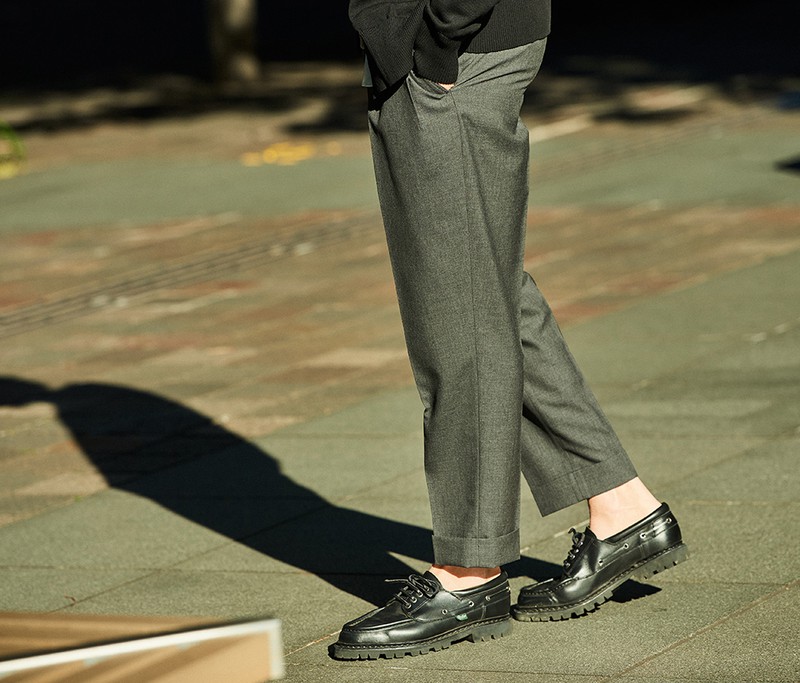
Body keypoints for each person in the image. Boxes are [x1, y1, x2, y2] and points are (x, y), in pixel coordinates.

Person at [332, 0, 687, 660]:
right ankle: (623, 507)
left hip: (449, 52)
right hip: (442, 48)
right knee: (484, 290)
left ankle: (468, 572)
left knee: (458, 313)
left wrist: (435, 40)